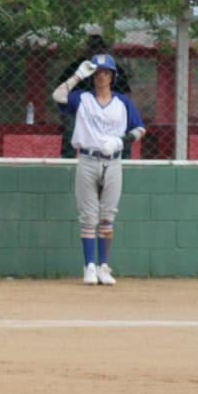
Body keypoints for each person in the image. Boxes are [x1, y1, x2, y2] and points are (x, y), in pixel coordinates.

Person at [53, 53, 144, 286]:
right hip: (87, 158)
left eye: (106, 73)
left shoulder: (122, 101)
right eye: (98, 73)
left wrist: (121, 141)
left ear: (112, 76)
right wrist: (76, 76)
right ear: (92, 76)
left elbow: (140, 129)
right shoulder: (82, 98)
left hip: (113, 160)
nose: (101, 76)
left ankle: (104, 266)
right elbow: (58, 95)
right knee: (88, 216)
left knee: (107, 216)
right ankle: (89, 266)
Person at [55, 36, 132, 159]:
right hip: (81, 111)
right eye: (93, 48)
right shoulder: (77, 67)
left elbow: (126, 95)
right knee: (70, 124)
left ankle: (125, 160)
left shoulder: (114, 69)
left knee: (127, 126)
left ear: (104, 50)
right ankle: (67, 159)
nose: (96, 51)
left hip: (109, 109)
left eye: (100, 48)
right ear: (87, 50)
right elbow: (62, 91)